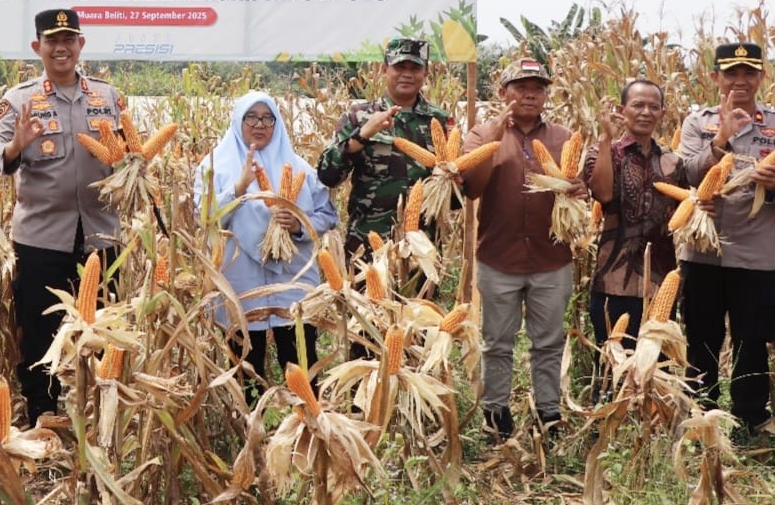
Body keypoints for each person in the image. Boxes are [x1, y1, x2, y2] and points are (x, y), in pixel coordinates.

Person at [0, 8, 123, 424]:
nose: (61, 48)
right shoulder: (19, 100)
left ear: (81, 44)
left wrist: (133, 161)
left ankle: (98, 414)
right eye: (52, 41)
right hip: (41, 239)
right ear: (37, 47)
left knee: (104, 329)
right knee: (39, 332)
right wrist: (16, 146)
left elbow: (128, 151)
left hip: (101, 235)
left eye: (68, 40)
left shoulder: (107, 97)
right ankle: (42, 414)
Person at [461, 57, 586, 441]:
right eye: (520, 87)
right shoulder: (481, 134)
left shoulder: (564, 137)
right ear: (503, 93)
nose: (530, 94)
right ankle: (495, 413)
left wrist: (577, 188)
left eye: (538, 88)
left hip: (551, 258)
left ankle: (549, 413)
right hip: (499, 257)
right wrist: (494, 137)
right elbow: (471, 188)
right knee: (497, 343)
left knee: (548, 342)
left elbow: (578, 185)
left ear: (547, 95)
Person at [194, 91, 337, 401]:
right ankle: (249, 425)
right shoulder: (215, 167)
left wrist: (298, 225)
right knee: (246, 366)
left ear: (277, 123)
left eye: (267, 118)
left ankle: (309, 420)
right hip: (240, 284)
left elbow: (328, 215)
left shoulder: (299, 167)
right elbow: (203, 218)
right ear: (238, 121)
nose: (259, 125)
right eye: (251, 117)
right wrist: (238, 189)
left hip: (293, 281)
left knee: (300, 362)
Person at [677, 42, 775, 436]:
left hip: (757, 253)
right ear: (715, 77)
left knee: (752, 338)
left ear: (762, 77)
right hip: (703, 251)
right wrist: (721, 139)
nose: (740, 81)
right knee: (702, 335)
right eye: (731, 73)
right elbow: (686, 174)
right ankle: (702, 413)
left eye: (749, 73)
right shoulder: (697, 122)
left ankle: (751, 416)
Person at [317, 37, 452, 259]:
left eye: (415, 68)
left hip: (422, 249)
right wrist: (361, 135)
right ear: (384, 69)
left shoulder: (441, 121)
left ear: (426, 73)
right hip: (367, 247)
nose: (407, 74)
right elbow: (328, 175)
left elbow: (453, 198)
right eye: (399, 67)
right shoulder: (359, 116)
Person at [584, 79, 686, 347]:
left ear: (662, 113)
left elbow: (684, 214)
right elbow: (602, 194)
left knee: (656, 362)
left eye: (654, 107)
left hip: (660, 287)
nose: (646, 112)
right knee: (612, 361)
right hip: (613, 283)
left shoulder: (673, 163)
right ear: (622, 110)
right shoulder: (602, 152)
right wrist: (606, 138)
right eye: (638, 105)